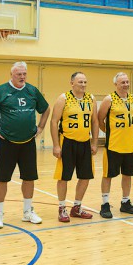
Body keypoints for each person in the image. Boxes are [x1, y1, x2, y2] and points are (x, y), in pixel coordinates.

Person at [0, 61, 51, 229]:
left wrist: (41, 127)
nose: (22, 77)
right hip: (7, 142)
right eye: (19, 74)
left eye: (24, 74)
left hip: (28, 142)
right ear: (12, 75)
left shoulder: (32, 90)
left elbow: (46, 109)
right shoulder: (1, 91)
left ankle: (27, 212)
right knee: (1, 179)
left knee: (29, 178)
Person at [49, 71, 98, 222]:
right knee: (64, 177)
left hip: (85, 142)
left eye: (85, 82)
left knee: (85, 176)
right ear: (72, 83)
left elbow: (94, 121)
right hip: (67, 142)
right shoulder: (63, 98)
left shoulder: (91, 98)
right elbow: (54, 121)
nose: (83, 85)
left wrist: (94, 142)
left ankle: (76, 207)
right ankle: (62, 208)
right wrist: (56, 145)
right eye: (80, 82)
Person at [97, 72, 133, 218]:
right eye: (123, 82)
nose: (126, 84)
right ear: (116, 84)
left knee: (127, 175)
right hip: (113, 145)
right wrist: (111, 132)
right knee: (107, 175)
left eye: (127, 82)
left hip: (130, 145)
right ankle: (105, 204)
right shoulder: (109, 99)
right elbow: (100, 119)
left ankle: (125, 202)